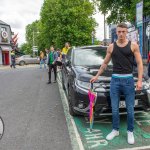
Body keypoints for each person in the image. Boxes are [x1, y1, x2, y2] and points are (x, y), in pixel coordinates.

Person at [90, 23, 143, 145]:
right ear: (116, 32)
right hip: (115, 81)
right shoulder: (111, 47)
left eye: (123, 31)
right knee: (114, 108)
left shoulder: (133, 46)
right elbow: (104, 64)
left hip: (129, 81)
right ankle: (115, 130)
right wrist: (96, 76)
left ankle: (130, 131)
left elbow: (140, 64)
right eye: (119, 32)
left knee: (130, 109)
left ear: (127, 32)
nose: (121, 34)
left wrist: (139, 80)